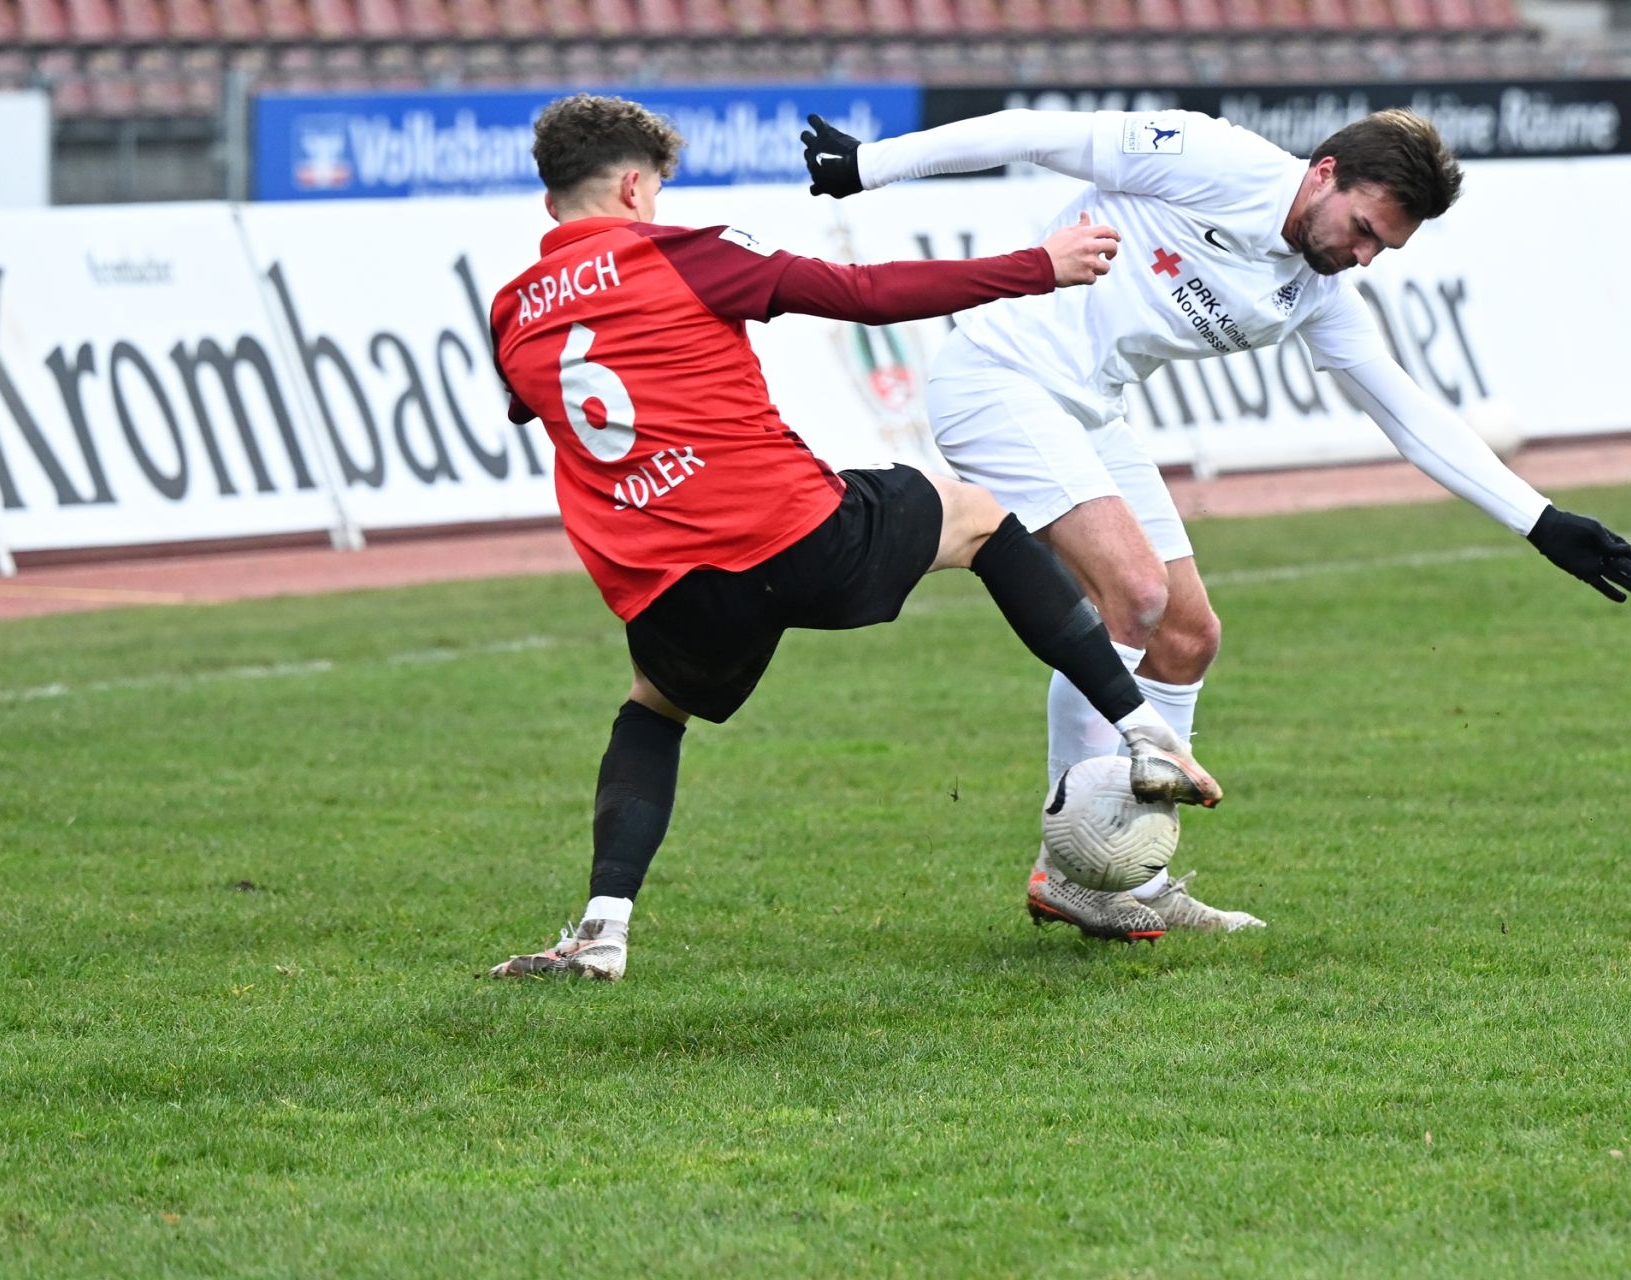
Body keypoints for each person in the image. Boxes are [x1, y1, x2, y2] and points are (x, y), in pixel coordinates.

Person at [801, 106, 1631, 938]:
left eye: (1379, 250)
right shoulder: (1213, 159)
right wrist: (870, 165)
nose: (1358, 258)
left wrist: (1538, 521)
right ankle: (1070, 874)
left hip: (1089, 411)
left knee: (1186, 635)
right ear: (1323, 173)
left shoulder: (1316, 290)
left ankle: (1140, 873)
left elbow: (1404, 408)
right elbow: (1036, 132)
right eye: (1360, 229)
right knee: (1133, 596)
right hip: (998, 379)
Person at [485, 94, 1225, 983]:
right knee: (982, 520)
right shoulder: (687, 254)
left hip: (666, 581)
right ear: (636, 188)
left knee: (654, 708)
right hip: (792, 531)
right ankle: (1144, 730)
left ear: (549, 201)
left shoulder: (512, 310)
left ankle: (602, 931)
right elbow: (864, 296)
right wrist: (1036, 266)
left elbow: (536, 402)